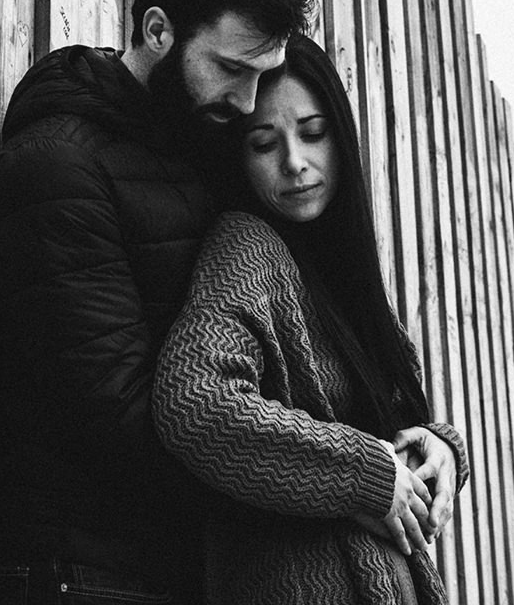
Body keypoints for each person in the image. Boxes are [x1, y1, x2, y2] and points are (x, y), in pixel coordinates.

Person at [0, 0, 314, 605]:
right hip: (85, 577)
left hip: (175, 570)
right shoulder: (58, 165)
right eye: (231, 69)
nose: (247, 102)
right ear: (158, 30)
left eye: (263, 77)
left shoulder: (198, 149)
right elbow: (117, 419)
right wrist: (320, 484)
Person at [153, 32, 469, 605]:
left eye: (313, 133)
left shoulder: (339, 274)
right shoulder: (247, 247)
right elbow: (195, 404)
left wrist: (438, 449)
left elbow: (383, 429)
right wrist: (364, 476)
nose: (294, 163)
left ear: (340, 138)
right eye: (263, 144)